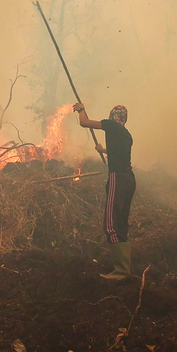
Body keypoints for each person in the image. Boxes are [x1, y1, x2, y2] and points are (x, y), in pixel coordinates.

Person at [73, 102, 135, 280]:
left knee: (111, 223)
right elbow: (118, 153)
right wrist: (103, 150)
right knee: (121, 221)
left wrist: (81, 110)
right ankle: (124, 269)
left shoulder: (111, 125)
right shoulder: (126, 134)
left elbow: (84, 123)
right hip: (130, 179)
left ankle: (121, 271)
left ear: (112, 116)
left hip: (118, 178)